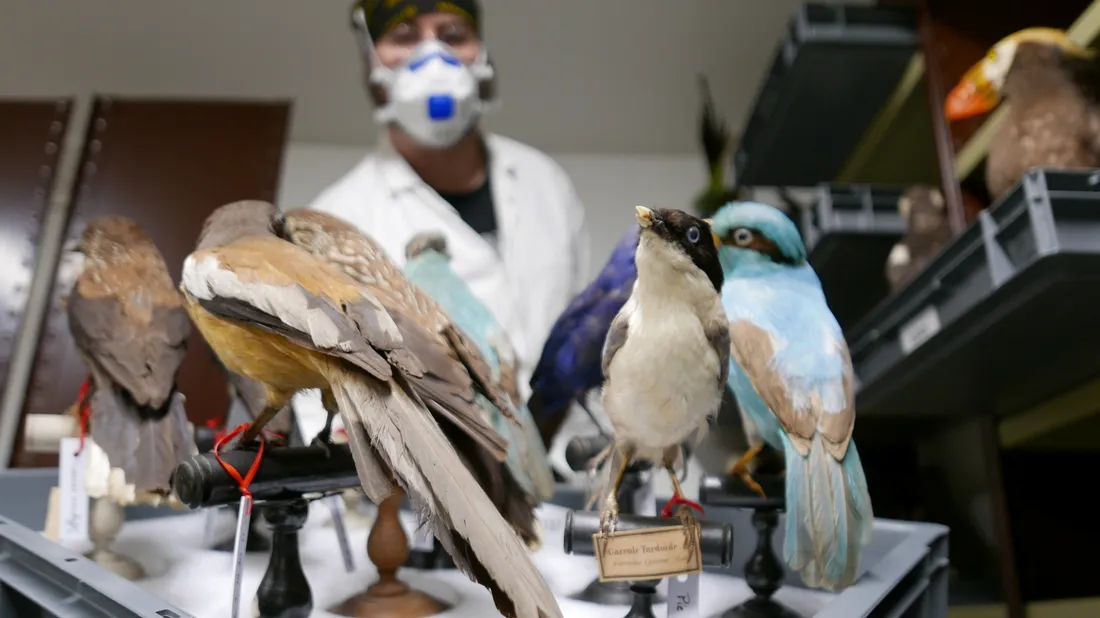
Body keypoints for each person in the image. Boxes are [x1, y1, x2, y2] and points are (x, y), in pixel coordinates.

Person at [308, 0, 591, 394]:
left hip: (570, 432)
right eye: (404, 37)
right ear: (371, 57)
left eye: (453, 35)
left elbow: (585, 337)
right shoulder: (337, 220)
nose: (433, 58)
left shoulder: (544, 182)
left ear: (482, 52)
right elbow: (322, 394)